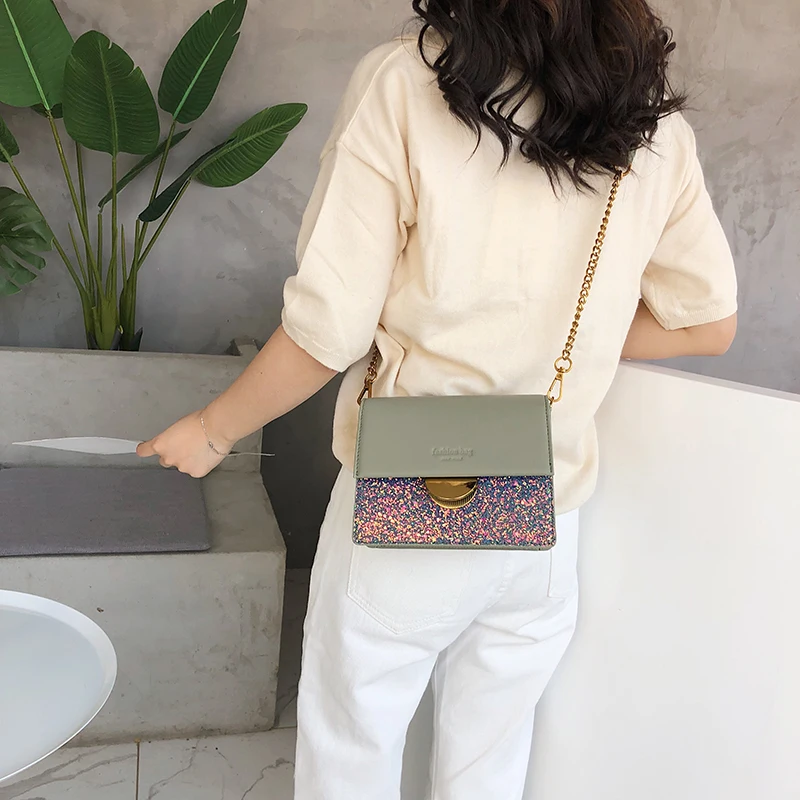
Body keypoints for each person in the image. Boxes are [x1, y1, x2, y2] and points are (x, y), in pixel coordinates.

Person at [138, 1, 738, 797]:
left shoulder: (409, 82)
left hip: (410, 499)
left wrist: (213, 430)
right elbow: (707, 324)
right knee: (489, 765)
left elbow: (330, 329)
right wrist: (573, 333)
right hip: (543, 514)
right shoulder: (650, 123)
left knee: (352, 750)